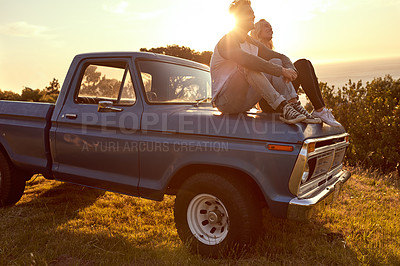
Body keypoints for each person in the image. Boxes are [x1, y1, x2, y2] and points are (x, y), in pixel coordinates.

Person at [210, 0, 312, 125]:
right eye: (248, 13)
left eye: (253, 13)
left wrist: (291, 69)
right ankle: (282, 106)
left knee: (276, 61)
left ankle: (293, 104)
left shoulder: (252, 42)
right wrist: (281, 71)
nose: (253, 16)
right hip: (226, 102)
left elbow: (280, 56)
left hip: (245, 101)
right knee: (248, 66)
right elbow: (247, 60)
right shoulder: (227, 41)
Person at [251, 19, 341, 126]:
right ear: (257, 31)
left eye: (270, 26)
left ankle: (320, 109)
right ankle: (318, 110)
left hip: (283, 93)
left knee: (304, 64)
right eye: (266, 26)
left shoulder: (273, 52)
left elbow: (284, 66)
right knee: (280, 63)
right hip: (270, 102)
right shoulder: (255, 52)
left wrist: (290, 71)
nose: (270, 28)